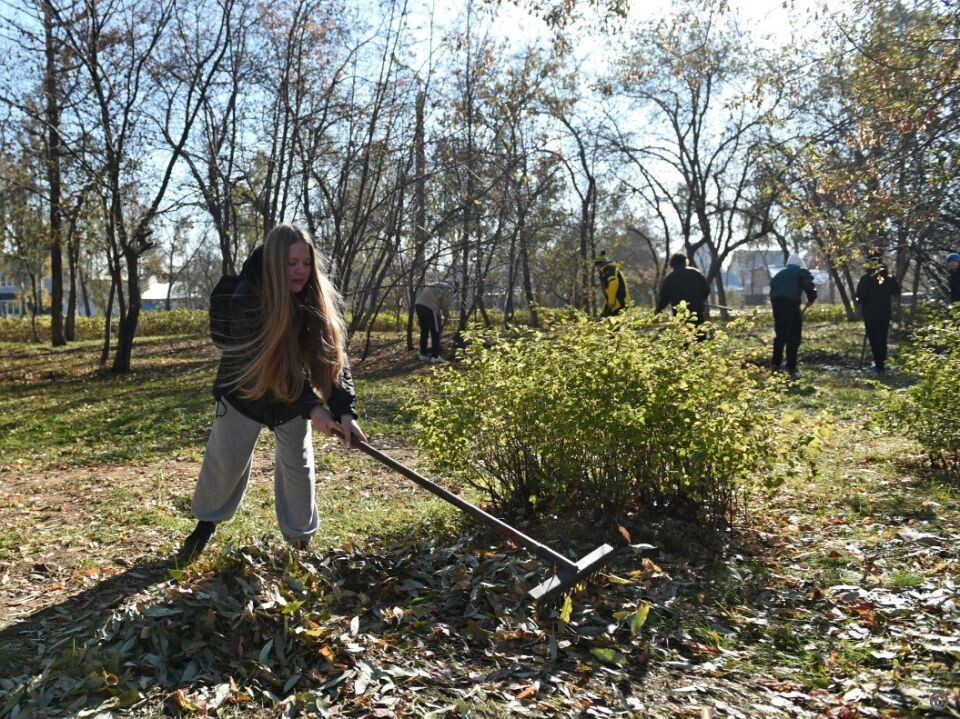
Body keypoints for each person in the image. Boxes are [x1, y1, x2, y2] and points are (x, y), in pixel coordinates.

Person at [179, 223, 366, 563]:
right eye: (291, 263)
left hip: (291, 396)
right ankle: (205, 524)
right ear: (273, 264)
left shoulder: (313, 297)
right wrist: (314, 410)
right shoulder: (246, 299)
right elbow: (271, 366)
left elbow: (331, 358)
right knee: (225, 463)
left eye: (306, 263)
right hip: (244, 391)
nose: (300, 271)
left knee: (299, 466)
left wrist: (345, 412)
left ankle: (300, 541)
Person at [769, 252, 817, 377]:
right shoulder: (800, 271)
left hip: (776, 305)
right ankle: (791, 366)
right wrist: (811, 297)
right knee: (794, 335)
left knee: (780, 334)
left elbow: (773, 289)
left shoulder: (778, 274)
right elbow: (808, 284)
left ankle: (775, 363)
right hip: (791, 304)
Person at [855, 251, 901, 373]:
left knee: (875, 340)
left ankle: (879, 366)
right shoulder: (889, 277)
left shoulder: (866, 278)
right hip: (885, 312)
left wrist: (860, 301)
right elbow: (896, 291)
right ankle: (881, 363)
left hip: (870, 314)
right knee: (882, 339)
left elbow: (860, 296)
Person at [655, 252, 711, 325]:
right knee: (699, 333)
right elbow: (706, 290)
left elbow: (664, 298)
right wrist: (699, 300)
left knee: (683, 334)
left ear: (672, 264)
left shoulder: (670, 278)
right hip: (697, 312)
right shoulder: (696, 273)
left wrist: (658, 311)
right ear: (685, 262)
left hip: (679, 313)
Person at [414, 280, 453, 363]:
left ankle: (423, 355)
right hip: (431, 308)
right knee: (435, 332)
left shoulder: (435, 284)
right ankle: (435, 356)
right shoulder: (448, 288)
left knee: (424, 331)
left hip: (418, 304)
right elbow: (445, 306)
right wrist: (446, 318)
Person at [594, 253, 629, 317]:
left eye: (596, 265)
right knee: (602, 319)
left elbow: (613, 284)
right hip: (617, 304)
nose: (596, 268)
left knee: (609, 324)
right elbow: (609, 294)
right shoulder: (608, 269)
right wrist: (603, 312)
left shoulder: (608, 268)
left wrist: (610, 303)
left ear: (599, 264)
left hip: (619, 304)